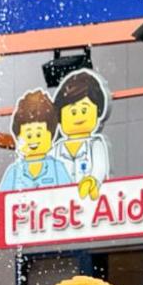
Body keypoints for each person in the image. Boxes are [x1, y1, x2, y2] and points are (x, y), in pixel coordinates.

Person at [45, 68, 111, 199]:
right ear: (60, 117)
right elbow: (48, 173)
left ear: (97, 112)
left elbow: (100, 167)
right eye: (73, 112)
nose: (79, 117)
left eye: (84, 110)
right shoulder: (56, 150)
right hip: (60, 207)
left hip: (91, 204)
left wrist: (93, 181)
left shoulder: (95, 145)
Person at [0, 89, 67, 192]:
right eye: (29, 135)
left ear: (51, 135)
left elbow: (70, 194)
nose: (34, 140)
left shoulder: (57, 168)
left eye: (39, 134)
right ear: (18, 137)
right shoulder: (13, 172)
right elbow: (1, 203)